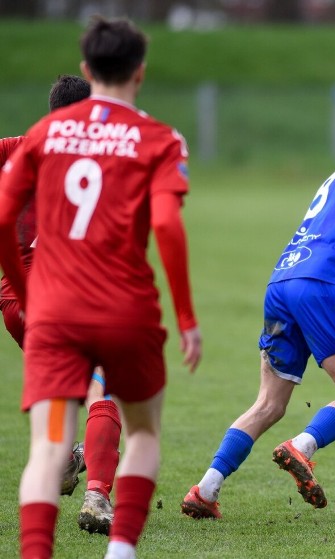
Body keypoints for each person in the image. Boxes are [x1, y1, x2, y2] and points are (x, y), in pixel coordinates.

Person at [0, 16, 202, 559]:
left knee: (46, 446)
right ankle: (113, 533)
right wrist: (185, 317)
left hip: (47, 306)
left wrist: (24, 289)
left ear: (88, 68)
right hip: (125, 307)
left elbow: (1, 218)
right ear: (140, 72)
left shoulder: (39, 137)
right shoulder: (159, 138)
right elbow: (166, 226)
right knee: (139, 429)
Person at [180, 107, 335, 519]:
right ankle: (301, 447)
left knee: (269, 403)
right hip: (323, 287)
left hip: (283, 283)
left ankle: (206, 489)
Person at [0, 74, 122, 537]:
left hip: (18, 305)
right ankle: (97, 494)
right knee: (100, 390)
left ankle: (69, 457)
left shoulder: (18, 146)